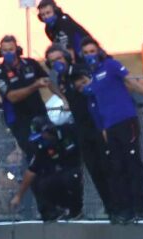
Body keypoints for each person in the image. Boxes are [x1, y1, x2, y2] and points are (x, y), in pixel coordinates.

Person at [80, 37, 143, 223]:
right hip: (109, 127)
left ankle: (138, 208)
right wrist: (103, 129)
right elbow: (96, 105)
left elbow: (130, 81)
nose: (90, 56)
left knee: (132, 163)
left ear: (98, 51)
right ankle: (124, 209)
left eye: (92, 51)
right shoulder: (92, 77)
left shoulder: (111, 65)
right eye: (86, 53)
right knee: (117, 167)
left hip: (126, 120)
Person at [45, 45, 112, 214]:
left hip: (97, 124)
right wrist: (63, 99)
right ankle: (109, 206)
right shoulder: (61, 78)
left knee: (108, 167)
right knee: (93, 169)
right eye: (52, 61)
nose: (56, 63)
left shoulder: (78, 70)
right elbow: (61, 90)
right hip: (81, 128)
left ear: (67, 57)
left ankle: (119, 204)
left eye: (59, 59)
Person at [10, 116, 83, 221]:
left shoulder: (68, 132)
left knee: (71, 177)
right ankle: (56, 210)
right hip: (62, 171)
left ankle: (77, 209)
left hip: (78, 170)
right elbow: (31, 170)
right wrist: (19, 196)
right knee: (43, 183)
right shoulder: (43, 146)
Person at [0, 35, 52, 157]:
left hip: (39, 113)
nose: (8, 53)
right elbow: (12, 97)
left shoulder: (31, 63)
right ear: (0, 52)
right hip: (18, 120)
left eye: (11, 49)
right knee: (33, 153)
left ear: (17, 49)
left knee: (50, 148)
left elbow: (48, 81)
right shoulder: (0, 72)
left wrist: (63, 98)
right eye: (5, 50)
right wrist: (34, 86)